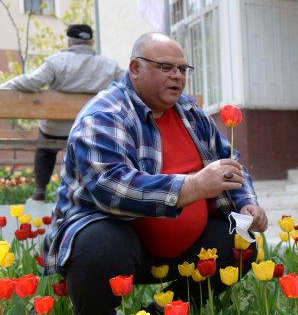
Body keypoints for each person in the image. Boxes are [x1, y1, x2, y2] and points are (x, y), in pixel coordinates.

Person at [42, 32, 268, 315]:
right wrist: (195, 186)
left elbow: (230, 161)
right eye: (165, 67)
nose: (177, 76)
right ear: (135, 68)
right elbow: (111, 187)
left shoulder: (190, 113)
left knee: (238, 244)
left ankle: (159, 312)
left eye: (182, 69)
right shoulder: (105, 114)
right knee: (99, 247)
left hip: (184, 248)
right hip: (120, 241)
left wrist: (247, 202)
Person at [0, 24, 125, 204]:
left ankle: (39, 192)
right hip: (92, 129)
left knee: (45, 147)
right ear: (90, 42)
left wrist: (3, 88)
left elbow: (31, 82)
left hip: (56, 129)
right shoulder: (109, 65)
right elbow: (128, 83)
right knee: (92, 146)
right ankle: (91, 193)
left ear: (69, 40)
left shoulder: (56, 62)